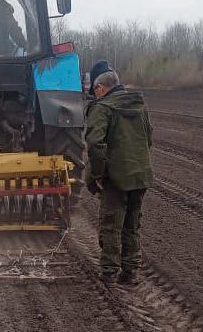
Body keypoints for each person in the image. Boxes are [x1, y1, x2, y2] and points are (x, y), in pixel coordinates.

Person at [84, 60, 154, 286]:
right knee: (132, 224)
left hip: (115, 178)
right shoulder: (139, 105)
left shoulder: (102, 108)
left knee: (111, 223)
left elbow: (95, 144)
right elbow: (148, 138)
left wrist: (98, 175)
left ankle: (109, 272)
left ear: (100, 89)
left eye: (95, 92)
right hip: (140, 175)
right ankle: (130, 272)